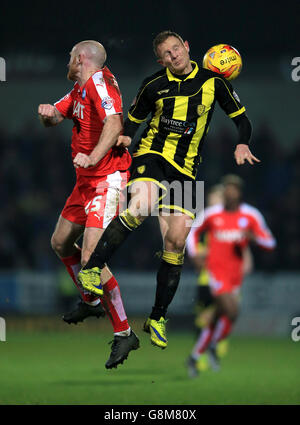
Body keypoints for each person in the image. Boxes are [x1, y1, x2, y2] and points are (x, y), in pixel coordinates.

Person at [76, 30, 259, 350]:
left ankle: (157, 317)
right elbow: (132, 120)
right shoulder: (153, 84)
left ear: (187, 47)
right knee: (141, 205)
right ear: (161, 61)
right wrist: (126, 137)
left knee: (176, 242)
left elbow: (242, 120)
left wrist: (242, 143)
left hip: (186, 170)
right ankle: (91, 270)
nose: (174, 56)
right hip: (152, 155)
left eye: (177, 49)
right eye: (167, 54)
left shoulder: (214, 82)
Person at [38, 40, 139, 369]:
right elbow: (56, 116)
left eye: (70, 57)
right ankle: (90, 300)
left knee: (90, 260)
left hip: (107, 179)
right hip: (85, 183)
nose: (67, 62)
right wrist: (48, 114)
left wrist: (94, 156)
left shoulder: (99, 82)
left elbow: (114, 124)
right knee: (59, 241)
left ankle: (124, 334)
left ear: (80, 59)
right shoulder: (80, 89)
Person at [185, 174, 276, 377]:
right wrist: (195, 255)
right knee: (232, 311)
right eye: (227, 188)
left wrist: (254, 238)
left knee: (220, 316)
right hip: (215, 272)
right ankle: (214, 347)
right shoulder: (212, 214)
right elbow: (192, 231)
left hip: (236, 275)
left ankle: (196, 355)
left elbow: (270, 243)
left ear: (239, 193)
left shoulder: (251, 215)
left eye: (233, 189)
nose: (230, 192)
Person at [187, 182, 253, 373]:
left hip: (228, 276)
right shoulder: (206, 220)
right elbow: (194, 244)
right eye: (212, 199)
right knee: (209, 318)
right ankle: (203, 356)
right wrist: (203, 255)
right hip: (208, 278)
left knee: (224, 316)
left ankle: (205, 354)